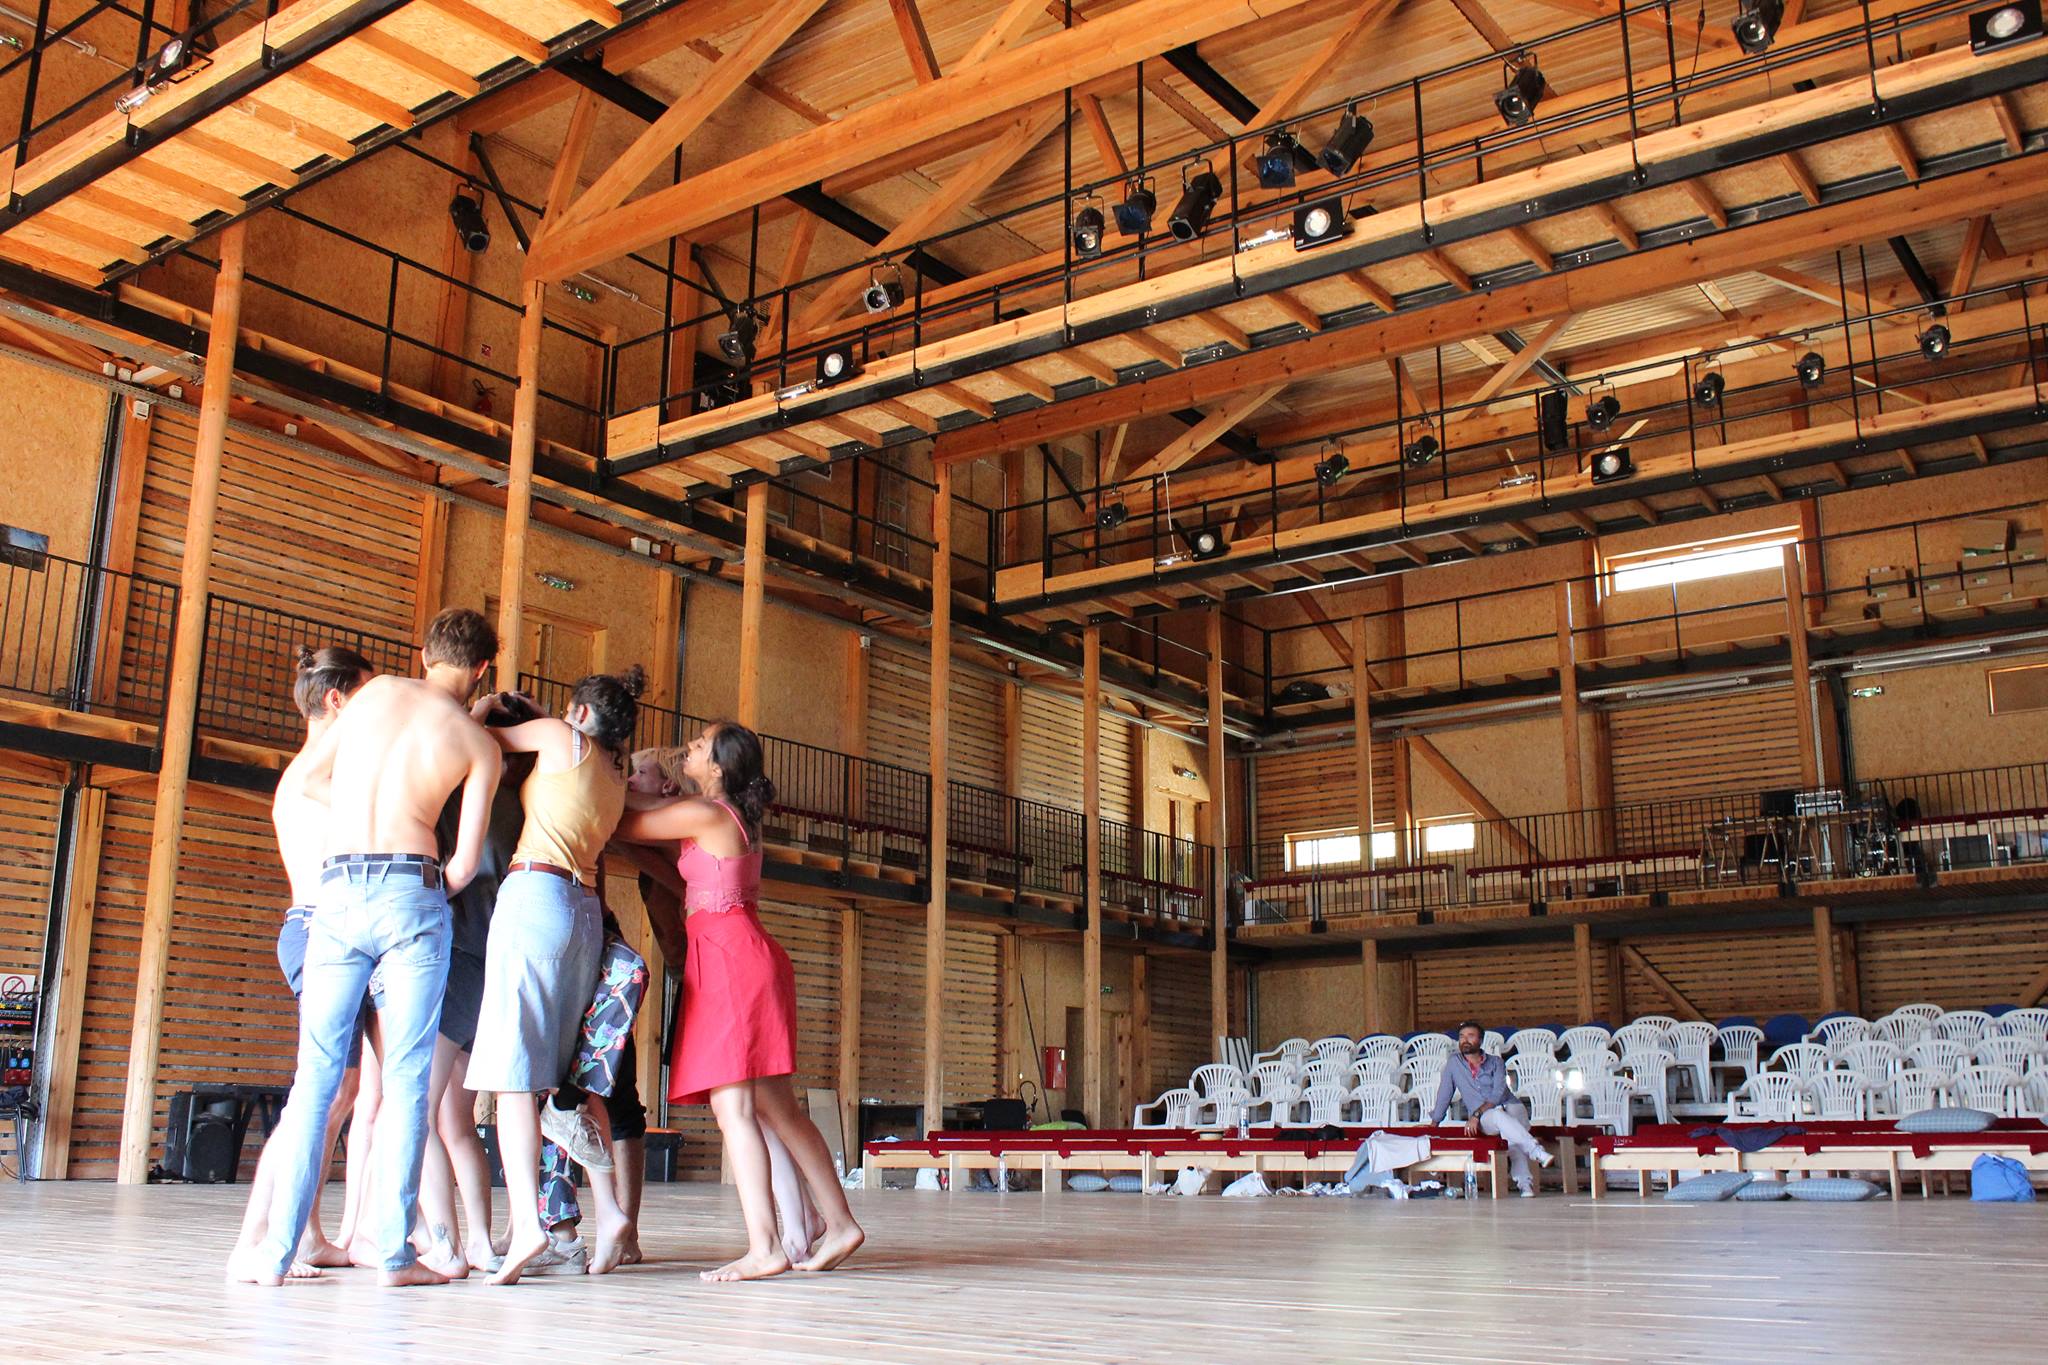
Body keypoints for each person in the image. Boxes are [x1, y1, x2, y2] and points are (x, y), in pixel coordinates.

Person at [230, 607, 502, 1288]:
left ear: (422, 651)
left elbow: (309, 778)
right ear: (483, 671)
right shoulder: (478, 743)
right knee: (408, 1081)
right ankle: (392, 1255)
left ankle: (273, 1254)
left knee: (316, 1080)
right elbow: (466, 863)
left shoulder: (374, 693)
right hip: (415, 889)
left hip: (338, 890)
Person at [617, 722, 861, 1282]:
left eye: (700, 746)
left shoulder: (708, 814)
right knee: (779, 1109)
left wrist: (591, 778)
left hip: (731, 962)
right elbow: (664, 860)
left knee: (736, 1111)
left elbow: (628, 821)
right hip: (738, 956)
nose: (690, 750)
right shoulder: (724, 816)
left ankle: (765, 1246)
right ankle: (840, 1223)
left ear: (721, 767)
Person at [465, 667, 645, 1284]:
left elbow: (473, 740)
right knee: (566, 1083)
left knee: (513, 1077)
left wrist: (489, 702)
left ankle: (527, 1228)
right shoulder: (615, 775)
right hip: (586, 913)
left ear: (582, 714)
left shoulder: (562, 739)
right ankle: (612, 1210)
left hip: (535, 896)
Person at [230, 646, 374, 1277]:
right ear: (339, 700)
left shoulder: (322, 764)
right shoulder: (321, 769)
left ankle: (308, 1230)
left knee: (339, 1091)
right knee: (316, 1096)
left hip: (323, 929)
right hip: (319, 929)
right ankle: (255, 1238)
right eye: (367, 697)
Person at [1428, 1020, 1554, 1197]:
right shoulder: (1454, 1063)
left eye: (1470, 1036)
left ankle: (1525, 1185)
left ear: (1480, 1040)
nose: (1465, 1040)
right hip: (1487, 1116)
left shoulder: (1496, 1062)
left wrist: (1476, 1114)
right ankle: (1535, 1151)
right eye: (1462, 1037)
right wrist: (1435, 1122)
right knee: (1497, 1116)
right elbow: (1444, 1093)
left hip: (1510, 1106)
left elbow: (1498, 1093)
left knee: (1514, 1140)